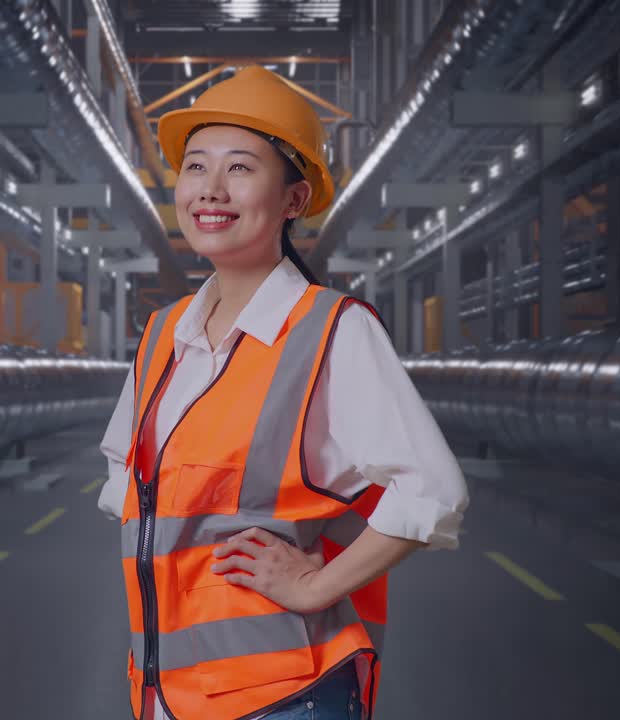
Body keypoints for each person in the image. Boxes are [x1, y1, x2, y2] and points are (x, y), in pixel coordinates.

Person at [97, 65, 468, 720]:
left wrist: (315, 585)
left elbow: (432, 491)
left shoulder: (332, 331)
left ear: (294, 200)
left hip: (285, 699)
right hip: (165, 696)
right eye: (196, 167)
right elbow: (139, 502)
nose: (211, 189)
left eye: (240, 168)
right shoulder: (162, 338)